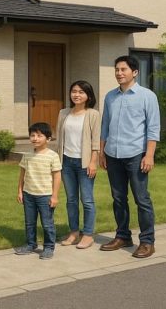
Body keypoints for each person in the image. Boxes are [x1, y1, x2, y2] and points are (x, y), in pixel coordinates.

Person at [100, 55, 160, 258]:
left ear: (134, 72)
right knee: (118, 198)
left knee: (141, 199)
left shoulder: (147, 96)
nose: (119, 73)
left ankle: (147, 241)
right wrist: (102, 152)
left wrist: (149, 155)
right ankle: (123, 236)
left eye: (123, 69)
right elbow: (105, 126)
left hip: (136, 154)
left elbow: (153, 128)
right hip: (113, 154)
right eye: (117, 69)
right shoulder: (110, 96)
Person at [56, 81, 101, 250]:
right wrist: (57, 162)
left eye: (81, 92)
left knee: (87, 200)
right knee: (71, 200)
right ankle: (74, 232)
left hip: (84, 164)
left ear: (88, 95)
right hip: (66, 162)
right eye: (74, 91)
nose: (76, 95)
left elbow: (95, 142)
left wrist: (93, 162)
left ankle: (88, 235)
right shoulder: (63, 113)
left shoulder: (93, 114)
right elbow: (59, 140)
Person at [14, 122, 62, 260]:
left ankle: (48, 247)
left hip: (45, 196)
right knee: (29, 222)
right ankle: (30, 244)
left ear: (48, 139)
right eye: (32, 135)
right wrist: (20, 191)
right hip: (29, 194)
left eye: (39, 136)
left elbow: (57, 176)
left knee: (47, 223)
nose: (35, 138)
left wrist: (54, 196)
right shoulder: (27, 155)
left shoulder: (52, 156)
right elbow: (22, 174)